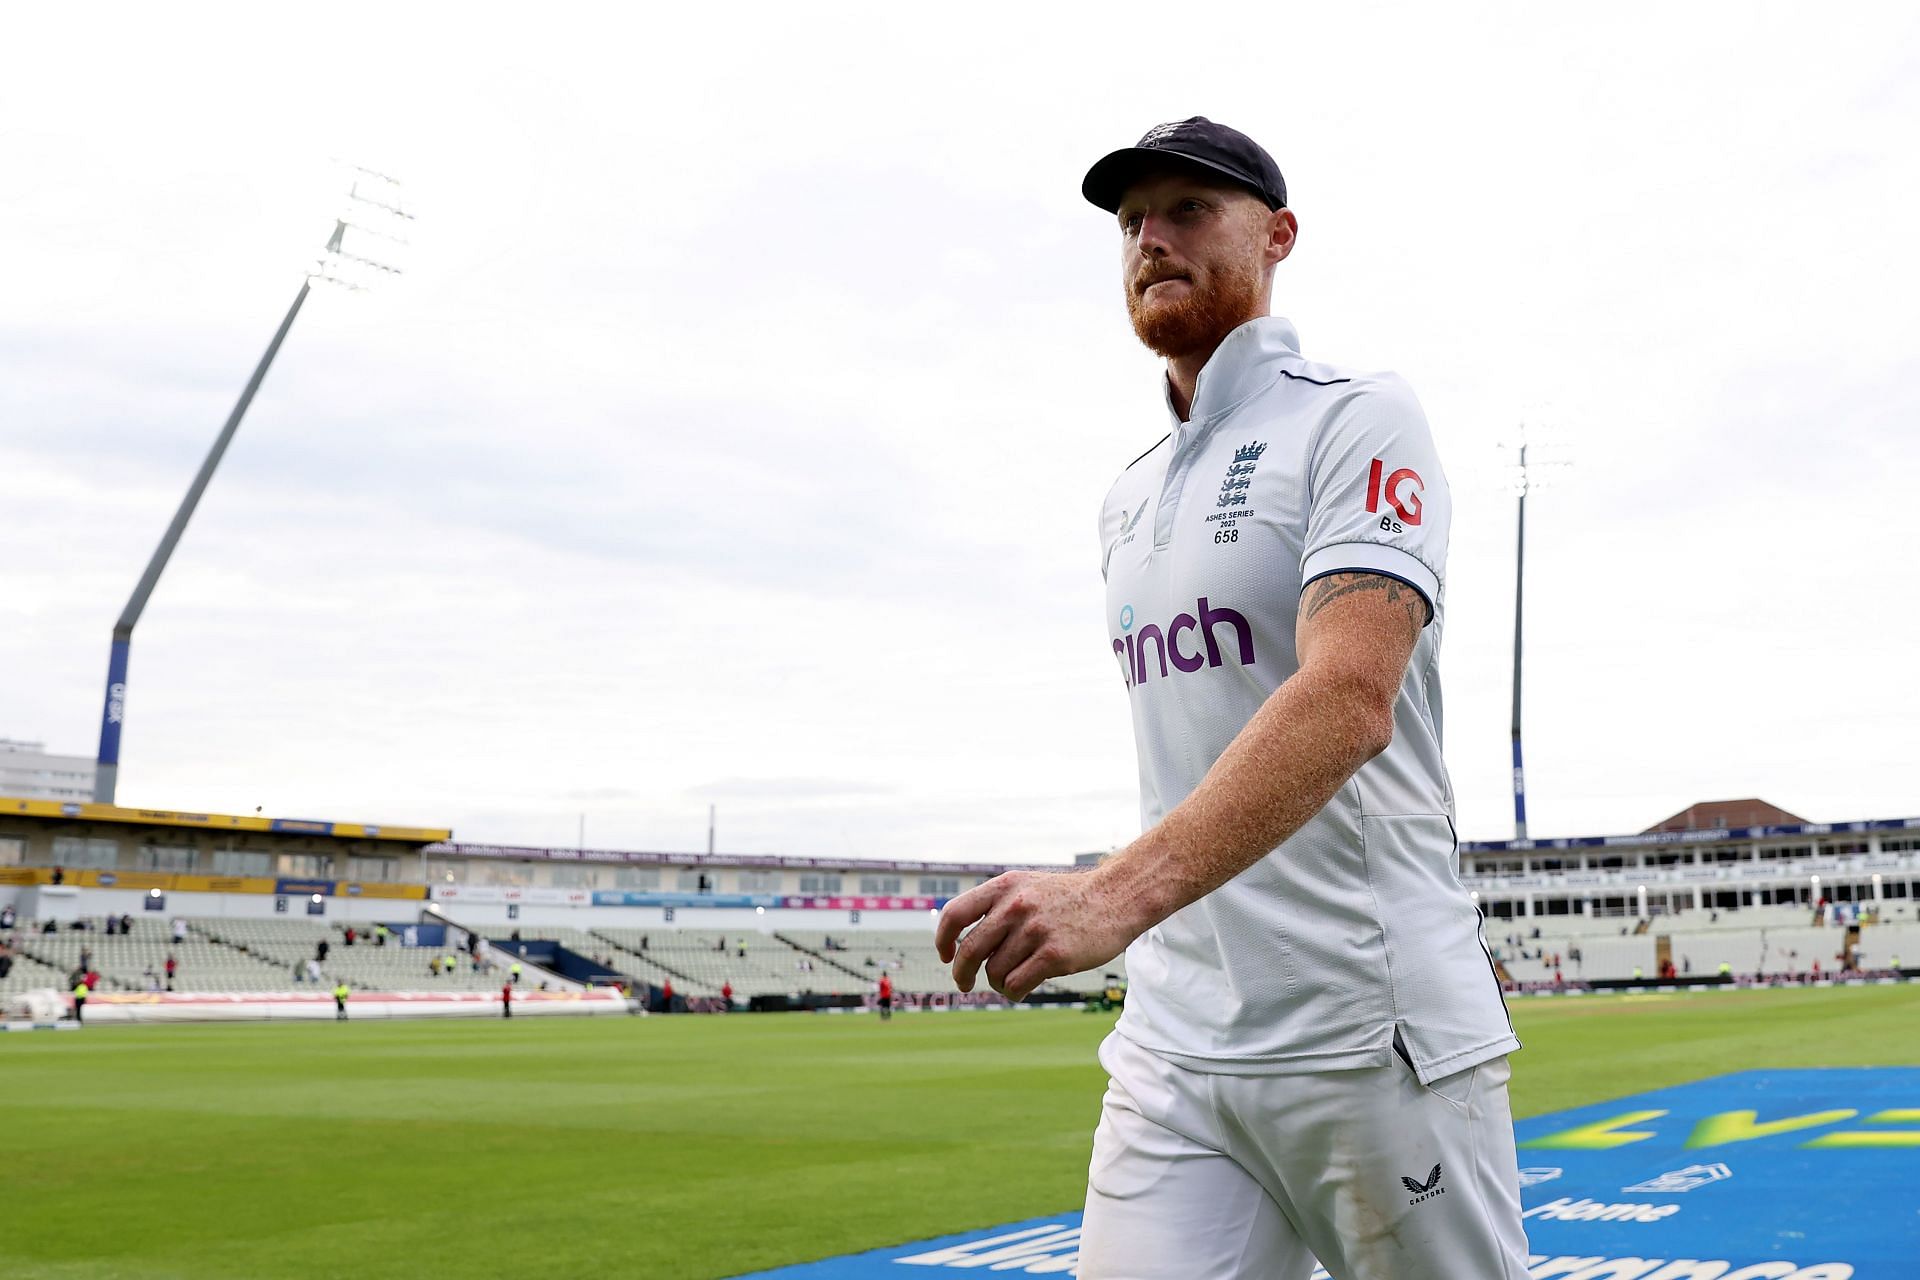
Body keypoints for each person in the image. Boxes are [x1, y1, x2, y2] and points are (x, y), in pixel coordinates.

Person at [934, 118, 1526, 1280]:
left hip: (1368, 1032)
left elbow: (1350, 696)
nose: (1151, 237)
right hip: (1175, 1042)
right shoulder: (1126, 497)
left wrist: (1112, 896)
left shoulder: (1357, 415)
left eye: (1189, 209)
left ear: (1280, 234)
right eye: (1129, 222)